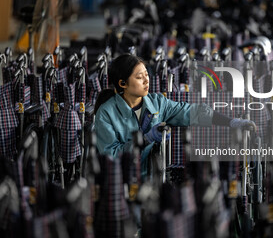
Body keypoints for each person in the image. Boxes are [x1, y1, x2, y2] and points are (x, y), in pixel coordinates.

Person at [94, 53, 256, 174]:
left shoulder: (157, 102)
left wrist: (232, 122)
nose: (146, 80)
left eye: (146, 75)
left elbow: (193, 112)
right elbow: (110, 156)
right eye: (139, 77)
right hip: (122, 180)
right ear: (123, 83)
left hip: (153, 178)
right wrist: (144, 139)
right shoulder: (106, 113)